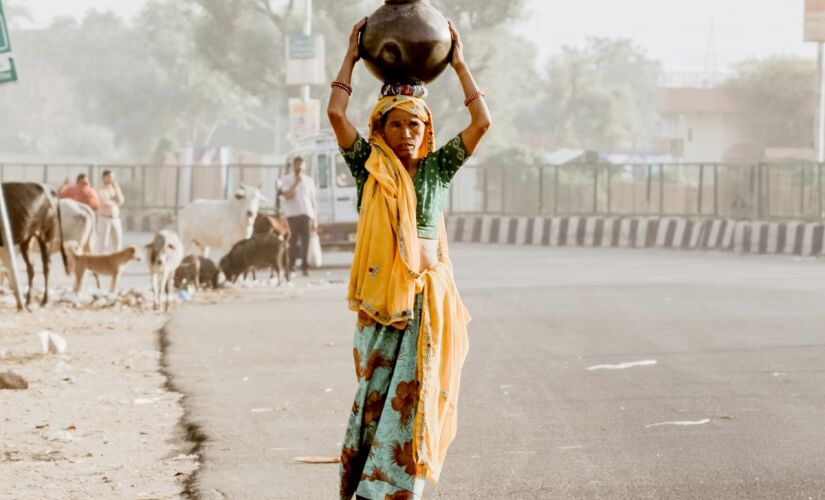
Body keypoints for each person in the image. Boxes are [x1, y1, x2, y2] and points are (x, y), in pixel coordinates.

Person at [328, 18, 491, 500]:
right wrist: (351, 57)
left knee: (417, 401)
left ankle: (401, 490)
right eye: (394, 122)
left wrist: (459, 64)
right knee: (375, 401)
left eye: (414, 124)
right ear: (380, 126)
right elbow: (337, 117)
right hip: (383, 308)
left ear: (427, 130)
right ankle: (367, 487)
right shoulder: (370, 168)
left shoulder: (438, 168)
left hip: (426, 307)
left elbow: (483, 124)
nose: (405, 133)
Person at [279, 156, 317, 277]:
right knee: (292, 242)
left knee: (306, 242)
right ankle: (291, 267)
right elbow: (287, 195)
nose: (300, 166)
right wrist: (296, 183)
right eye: (298, 164)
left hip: (306, 214)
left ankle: (305, 267)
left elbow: (313, 200)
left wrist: (315, 220)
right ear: (294, 165)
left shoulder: (309, 181)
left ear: (305, 166)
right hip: (292, 215)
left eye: (302, 164)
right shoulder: (286, 179)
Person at [96, 170, 125, 252]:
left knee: (117, 242)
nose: (111, 179)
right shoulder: (99, 188)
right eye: (109, 177)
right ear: (104, 178)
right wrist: (115, 202)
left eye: (112, 177)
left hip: (115, 218)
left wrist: (116, 188)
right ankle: (100, 262)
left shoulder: (114, 188)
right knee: (103, 243)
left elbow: (121, 201)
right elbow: (104, 202)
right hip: (104, 219)